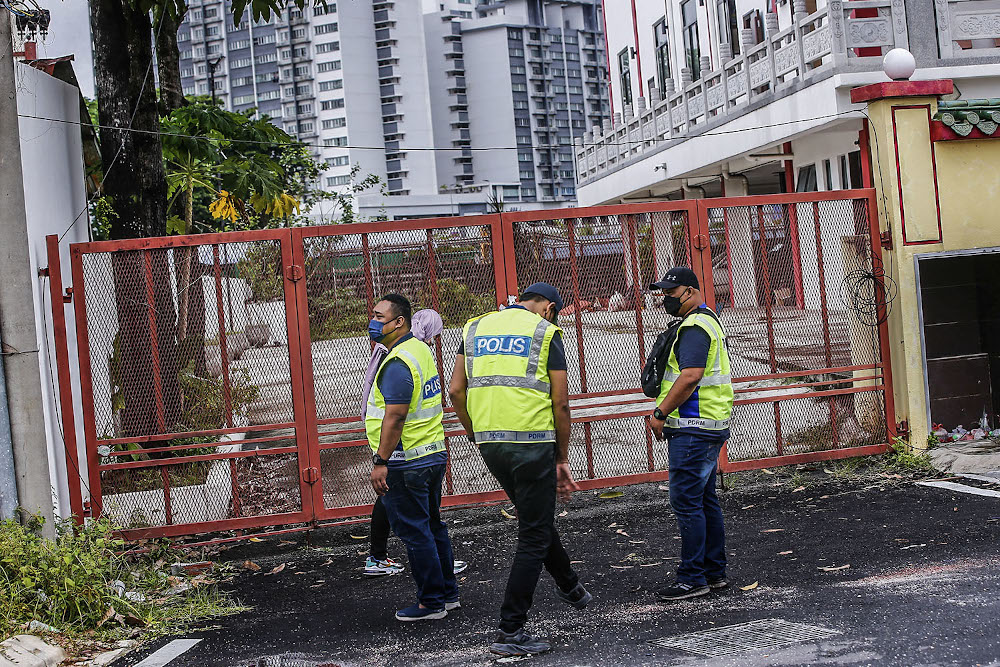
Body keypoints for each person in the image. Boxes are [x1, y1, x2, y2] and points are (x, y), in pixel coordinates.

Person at [449, 283, 591, 657]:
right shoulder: (546, 333)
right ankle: (511, 630)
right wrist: (562, 456)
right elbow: (561, 403)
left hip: (492, 443)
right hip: (533, 445)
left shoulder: (475, 328)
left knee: (535, 519)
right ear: (547, 307)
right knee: (533, 534)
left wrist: (476, 434)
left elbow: (456, 392)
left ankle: (569, 585)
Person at [365, 295, 459, 621]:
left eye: (379, 316)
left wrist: (381, 461)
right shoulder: (421, 350)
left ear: (399, 321)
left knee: (416, 532)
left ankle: (431, 603)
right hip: (432, 453)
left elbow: (395, 416)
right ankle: (448, 595)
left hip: (406, 462)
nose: (373, 322)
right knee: (433, 526)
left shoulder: (397, 362)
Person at [647, 267, 734, 602]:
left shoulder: (696, 326)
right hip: (707, 425)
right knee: (704, 499)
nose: (666, 299)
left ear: (691, 291)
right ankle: (714, 573)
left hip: (692, 427)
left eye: (671, 292)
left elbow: (690, 375)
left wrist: (660, 412)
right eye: (664, 293)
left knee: (686, 501)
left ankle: (693, 578)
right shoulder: (707, 319)